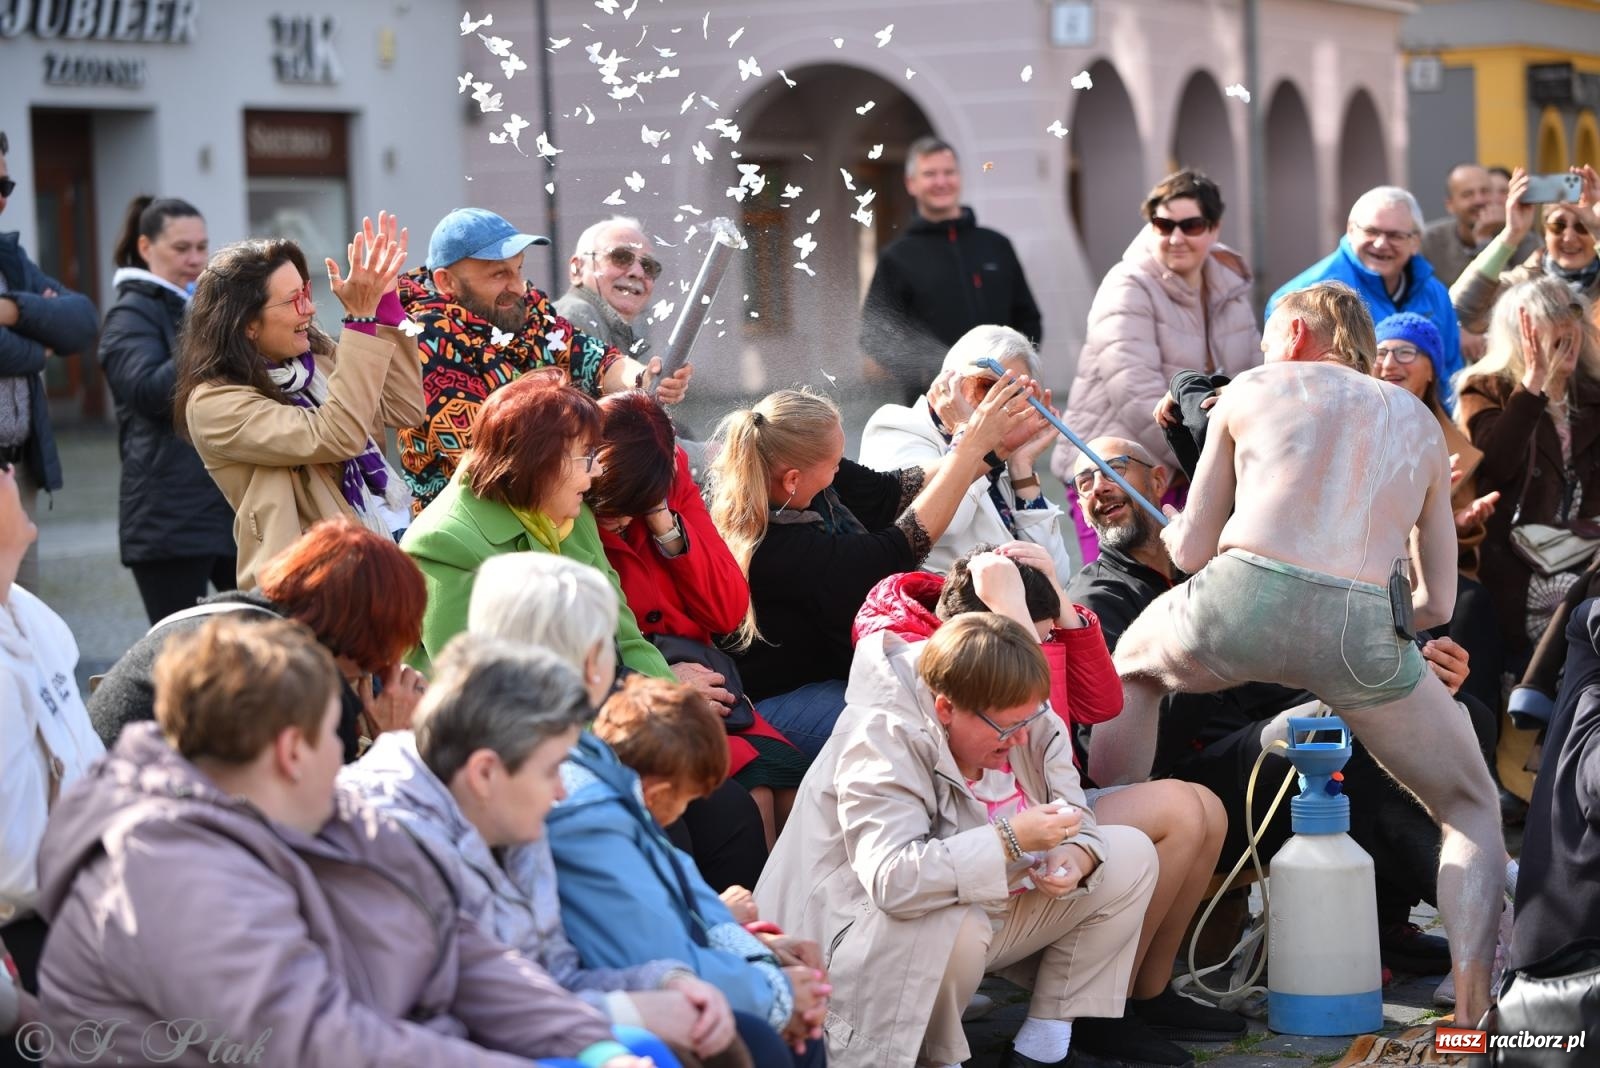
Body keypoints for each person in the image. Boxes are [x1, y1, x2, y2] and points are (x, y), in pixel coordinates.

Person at [1108, 281, 1506, 1028]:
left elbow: (1192, 551)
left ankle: (1115, 861)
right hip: (1361, 631)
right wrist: (1365, 624)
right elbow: (1439, 605)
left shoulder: (1253, 387)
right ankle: (1469, 1020)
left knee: (1131, 669)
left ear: (1292, 334)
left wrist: (1172, 538)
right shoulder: (1421, 423)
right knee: (1473, 807)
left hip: (1240, 599)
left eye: (1267, 336)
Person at [35, 615, 666, 1068]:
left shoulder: (319, 813)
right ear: (291, 751)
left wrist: (592, 1042)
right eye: (336, 734)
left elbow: (456, 944)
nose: (349, 751)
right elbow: (311, 1043)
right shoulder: (162, 869)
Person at [1065, 434, 1474, 980]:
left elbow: (1294, 672)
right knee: (1328, 731)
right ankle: (1484, 928)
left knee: (1446, 711)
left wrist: (1410, 669)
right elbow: (1115, 755)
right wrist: (1188, 638)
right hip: (1188, 792)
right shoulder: (1097, 598)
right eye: (1081, 481)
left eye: (1110, 469)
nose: (1095, 488)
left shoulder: (1218, 565)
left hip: (1260, 749)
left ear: (1159, 481)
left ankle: (1396, 923)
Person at [852, 546, 1241, 1065]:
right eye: (1032, 639)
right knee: (1178, 814)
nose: (1042, 646)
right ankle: (1096, 1014)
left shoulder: (1014, 640)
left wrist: (1057, 597)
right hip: (950, 873)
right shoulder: (932, 663)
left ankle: (1137, 997)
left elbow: (1101, 704)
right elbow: (1033, 718)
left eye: (1045, 639)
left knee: (1201, 810)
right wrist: (1013, 616)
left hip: (1023, 820)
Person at [759, 613, 1157, 1068]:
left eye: (1029, 719)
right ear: (946, 708)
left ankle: (1043, 1048)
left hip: (983, 911)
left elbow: (1076, 815)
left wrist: (1075, 853)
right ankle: (939, 1060)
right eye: (1007, 729)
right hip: (855, 940)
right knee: (960, 922)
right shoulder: (881, 736)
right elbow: (893, 881)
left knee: (1128, 854)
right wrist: (1009, 839)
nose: (1022, 737)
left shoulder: (1023, 710)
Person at [341, 634, 747, 1067]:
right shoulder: (389, 842)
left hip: (529, 1033)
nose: (560, 792)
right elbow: (423, 1029)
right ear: (484, 772)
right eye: (551, 770)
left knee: (713, 1039)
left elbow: (553, 976)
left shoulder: (512, 822)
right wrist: (613, 1035)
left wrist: (666, 983)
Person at [706, 377, 1041, 758]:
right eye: (833, 465)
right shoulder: (776, 548)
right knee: (920, 731)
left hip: (834, 680)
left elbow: (889, 493)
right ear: (793, 479)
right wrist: (969, 452)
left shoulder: (807, 482)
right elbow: (895, 551)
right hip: (779, 703)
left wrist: (993, 451)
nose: (838, 471)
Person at [552, 675, 829, 1068]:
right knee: (767, 1042)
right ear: (661, 794)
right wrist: (777, 993)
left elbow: (696, 907)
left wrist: (762, 952)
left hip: (661, 980)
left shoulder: (628, 810)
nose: (684, 813)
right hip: (629, 996)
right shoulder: (605, 824)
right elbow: (664, 947)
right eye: (687, 801)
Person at [465, 552, 769, 900]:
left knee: (729, 809)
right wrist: (726, 927)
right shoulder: (579, 801)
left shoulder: (555, 749)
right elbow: (642, 936)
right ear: (590, 663)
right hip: (666, 946)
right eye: (606, 646)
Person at [589, 390, 805, 846]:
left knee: (796, 796)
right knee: (754, 799)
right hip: (639, 695)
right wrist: (656, 677)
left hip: (712, 691)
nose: (618, 518)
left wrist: (663, 522)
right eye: (610, 505)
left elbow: (727, 610)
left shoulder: (667, 484)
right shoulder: (573, 496)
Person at [175, 213, 423, 589]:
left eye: (307, 293)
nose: (309, 309)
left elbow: (405, 406)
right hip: (309, 583)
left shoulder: (315, 360)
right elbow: (337, 434)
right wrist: (358, 318)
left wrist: (385, 303)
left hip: (382, 547)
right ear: (247, 324)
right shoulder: (213, 404)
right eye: (294, 300)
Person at [397, 208, 691, 510]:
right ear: (447, 282)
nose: (516, 285)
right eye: (499, 274)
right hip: (472, 523)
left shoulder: (527, 311)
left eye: (519, 269)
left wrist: (645, 377)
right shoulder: (425, 335)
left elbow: (593, 357)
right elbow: (488, 451)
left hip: (545, 501)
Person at [403, 369, 671, 682]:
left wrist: (673, 712)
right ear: (541, 461)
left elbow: (626, 641)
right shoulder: (443, 544)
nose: (597, 470)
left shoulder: (571, 514)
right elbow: (485, 694)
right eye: (587, 455)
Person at [88, 518, 428, 761]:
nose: (384, 667)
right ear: (363, 635)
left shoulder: (233, 615)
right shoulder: (297, 675)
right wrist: (393, 743)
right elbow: (338, 832)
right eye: (386, 648)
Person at [1053, 170, 1261, 563]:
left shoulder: (1230, 288)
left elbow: (1252, 374)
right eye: (1163, 225)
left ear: (1214, 229)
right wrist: (1211, 455)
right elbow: (1134, 393)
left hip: (1193, 468)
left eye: (1191, 225)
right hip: (1115, 472)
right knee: (1122, 598)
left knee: (1190, 596)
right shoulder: (1127, 284)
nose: (1175, 237)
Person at [0, 457, 105, 1022]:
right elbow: (11, 865)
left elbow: (85, 759)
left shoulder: (31, 612)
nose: (12, 468)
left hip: (83, 902)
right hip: (27, 941)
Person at [100, 194, 237, 623]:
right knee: (178, 659)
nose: (196, 259)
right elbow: (149, 393)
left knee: (261, 644)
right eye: (182, 249)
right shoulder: (128, 313)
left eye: (202, 247)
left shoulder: (194, 305)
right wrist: (202, 324)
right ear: (146, 248)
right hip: (167, 519)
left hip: (226, 506)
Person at [1455, 275, 1600, 663]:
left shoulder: (1593, 396)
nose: (1569, 333)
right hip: (1520, 566)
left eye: (1575, 324)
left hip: (1588, 557)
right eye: (1554, 325)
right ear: (1521, 335)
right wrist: (1533, 385)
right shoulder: (1485, 389)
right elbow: (1496, 466)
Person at [1372, 312, 1506, 718]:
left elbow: (1457, 545)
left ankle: (1469, 717)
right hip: (1371, 567)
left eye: (1406, 352)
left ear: (1431, 368)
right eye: (1381, 352)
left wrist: (1458, 522)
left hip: (1427, 570)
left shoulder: (1451, 441)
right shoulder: (1360, 427)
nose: (1390, 362)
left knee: (1470, 601)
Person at [860, 325, 1071, 578]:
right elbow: (942, 528)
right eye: (986, 387)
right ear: (948, 384)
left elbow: (1056, 573)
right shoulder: (897, 424)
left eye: (1013, 393)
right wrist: (974, 440)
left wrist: (1021, 466)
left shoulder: (1002, 451)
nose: (998, 401)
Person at [859, 136, 1042, 404]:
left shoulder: (996, 246)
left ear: (960, 177)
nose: (941, 182)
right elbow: (874, 335)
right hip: (933, 405)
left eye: (948, 172)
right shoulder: (897, 257)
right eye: (930, 174)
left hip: (1003, 400)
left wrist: (1018, 370)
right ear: (912, 183)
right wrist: (921, 376)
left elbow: (1028, 319)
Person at [0, 129, 100, 591]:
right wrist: (37, 346)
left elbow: (81, 321)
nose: (1, 200)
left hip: (20, 475)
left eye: (5, 187)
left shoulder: (10, 258)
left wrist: (13, 310)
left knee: (25, 623)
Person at [1268, 186, 1463, 408]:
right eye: (1371, 231)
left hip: (1423, 430)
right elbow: (1286, 385)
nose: (1381, 244)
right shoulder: (1304, 297)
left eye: (1395, 235)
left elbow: (1450, 373)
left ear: (1415, 242)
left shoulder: (1435, 294)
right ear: (1350, 231)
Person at [1452, 165, 1600, 338]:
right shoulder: (1525, 281)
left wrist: (1598, 230)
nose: (1568, 237)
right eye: (1557, 226)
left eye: (1582, 226)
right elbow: (1460, 310)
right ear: (1545, 231)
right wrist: (1511, 233)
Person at [1420, 163, 1496, 289]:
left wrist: (1485, 242)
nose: (1479, 200)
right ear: (1450, 205)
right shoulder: (1428, 242)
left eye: (1485, 191)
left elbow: (1511, 293)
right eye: (1468, 194)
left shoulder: (1519, 237)